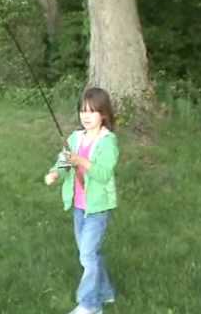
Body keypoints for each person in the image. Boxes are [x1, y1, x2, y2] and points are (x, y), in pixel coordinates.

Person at [45, 87, 119, 314]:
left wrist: (81, 161)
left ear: (103, 115)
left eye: (92, 111)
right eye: (82, 111)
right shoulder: (75, 138)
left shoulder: (108, 141)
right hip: (78, 206)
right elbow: (64, 162)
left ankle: (90, 305)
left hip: (97, 209)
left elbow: (104, 174)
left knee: (86, 254)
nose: (86, 116)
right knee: (91, 254)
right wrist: (56, 173)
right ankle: (106, 293)